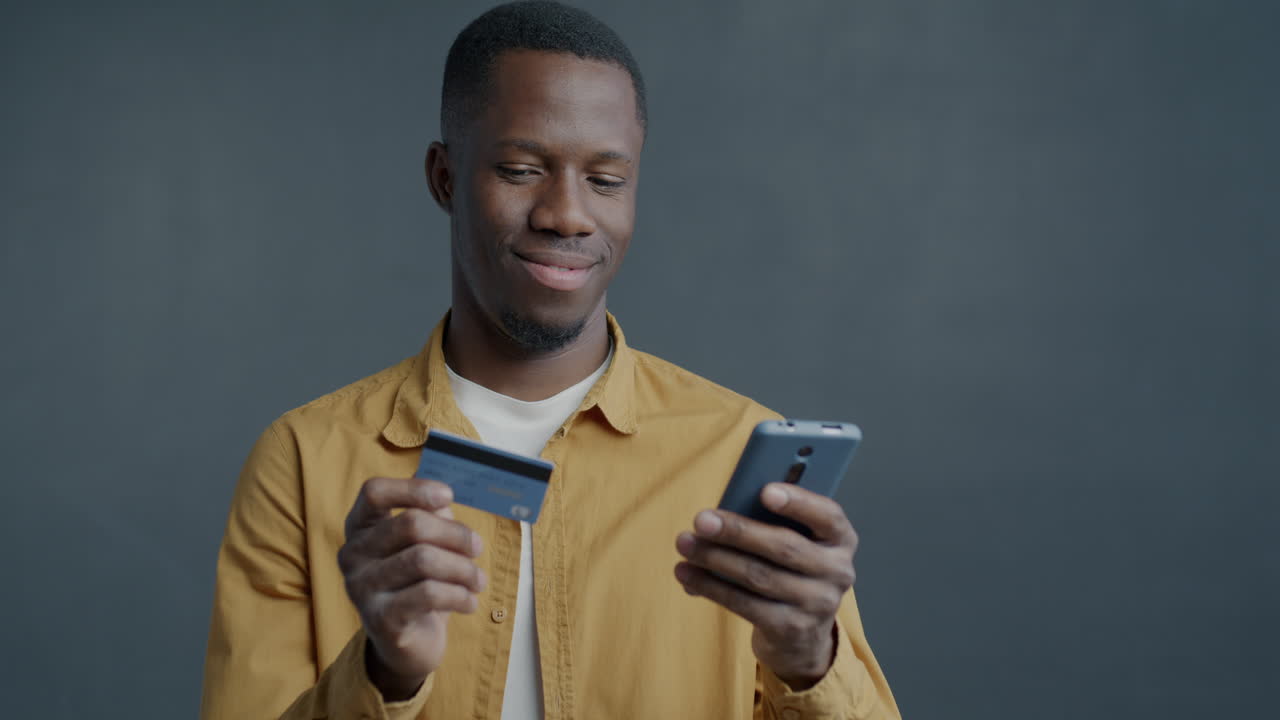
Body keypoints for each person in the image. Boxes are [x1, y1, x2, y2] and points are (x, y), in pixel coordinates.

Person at [200, 2, 899, 718]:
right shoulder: (304, 462)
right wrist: (385, 674)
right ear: (444, 177)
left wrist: (810, 663)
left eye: (607, 180)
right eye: (521, 169)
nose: (567, 214)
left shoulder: (736, 456)